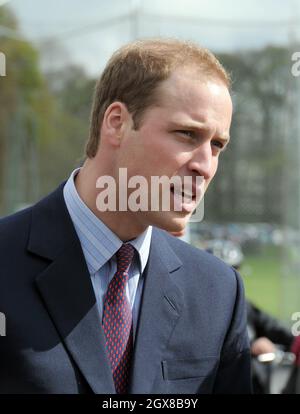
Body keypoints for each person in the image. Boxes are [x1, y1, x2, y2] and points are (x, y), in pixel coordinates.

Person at [0, 39, 251, 394]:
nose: (205, 166)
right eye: (187, 134)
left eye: (216, 145)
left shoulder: (219, 294)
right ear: (116, 123)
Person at [204, 239, 294, 393]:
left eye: (234, 269)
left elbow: (275, 329)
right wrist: (250, 347)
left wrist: (294, 343)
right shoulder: (191, 308)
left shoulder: (244, 305)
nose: (226, 277)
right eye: (219, 270)